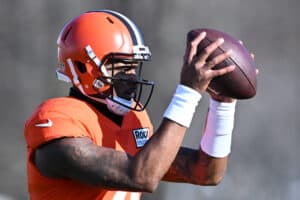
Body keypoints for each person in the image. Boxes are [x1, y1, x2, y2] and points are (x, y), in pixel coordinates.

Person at [24, 9, 240, 200]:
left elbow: (205, 173)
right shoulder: (59, 119)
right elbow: (141, 176)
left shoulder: (133, 119)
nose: (131, 77)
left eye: (133, 66)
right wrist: (188, 93)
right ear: (83, 68)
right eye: (120, 67)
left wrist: (223, 104)